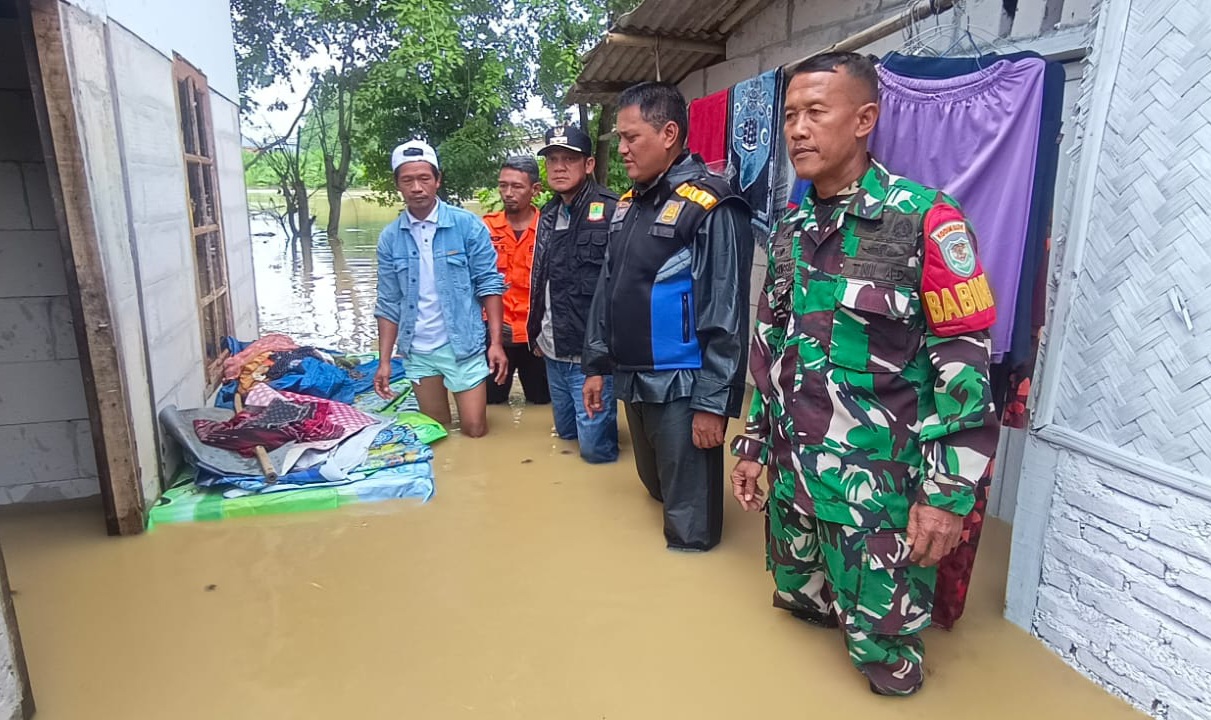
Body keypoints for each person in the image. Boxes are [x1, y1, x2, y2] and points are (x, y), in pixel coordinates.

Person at [729, 53, 1000, 696]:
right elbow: (773, 347)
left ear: (864, 119)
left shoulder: (925, 220)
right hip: (795, 480)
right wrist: (753, 444)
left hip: (877, 496)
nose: (797, 130)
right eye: (790, 115)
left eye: (816, 112)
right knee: (801, 613)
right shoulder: (793, 228)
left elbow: (964, 370)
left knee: (886, 669)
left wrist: (945, 498)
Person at [583, 82, 753, 551]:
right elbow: (608, 288)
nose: (621, 149)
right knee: (655, 490)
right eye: (619, 137)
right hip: (634, 380)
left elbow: (728, 315)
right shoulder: (628, 205)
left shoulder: (711, 206)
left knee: (689, 530)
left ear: (670, 133)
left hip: (684, 386)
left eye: (632, 137)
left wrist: (713, 405)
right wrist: (596, 366)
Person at [373, 140, 508, 437]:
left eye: (424, 178)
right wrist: (384, 361)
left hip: (463, 343)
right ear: (397, 184)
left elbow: (490, 283)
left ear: (438, 180)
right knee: (438, 431)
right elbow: (388, 302)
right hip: (418, 347)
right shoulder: (390, 238)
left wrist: (495, 343)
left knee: (475, 430)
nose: (417, 187)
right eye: (408, 180)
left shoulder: (467, 226)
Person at [529, 125, 620, 463]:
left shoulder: (613, 209)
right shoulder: (549, 214)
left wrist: (603, 359)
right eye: (552, 160)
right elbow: (542, 280)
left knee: (595, 453)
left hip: (590, 357)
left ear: (589, 164)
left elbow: (619, 287)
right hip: (553, 348)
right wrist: (536, 331)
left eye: (569, 159)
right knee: (566, 434)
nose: (559, 167)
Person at [482, 156, 550, 406]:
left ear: (535, 190)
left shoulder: (549, 228)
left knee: (542, 404)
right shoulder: (485, 228)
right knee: (491, 404)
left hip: (537, 336)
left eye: (517, 186)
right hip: (497, 334)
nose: (508, 193)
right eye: (503, 185)